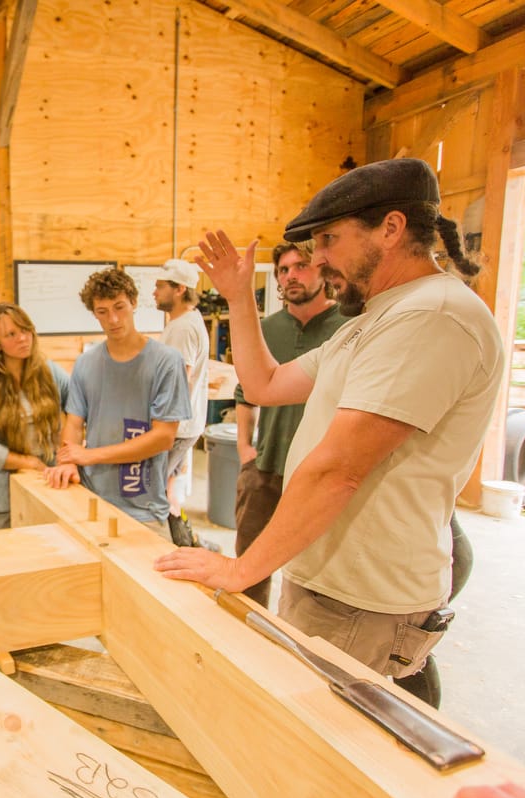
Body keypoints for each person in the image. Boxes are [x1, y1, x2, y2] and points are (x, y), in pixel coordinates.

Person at [155, 158, 503, 708]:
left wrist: (241, 569)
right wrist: (240, 296)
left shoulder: (431, 316)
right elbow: (266, 383)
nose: (317, 259)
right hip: (329, 578)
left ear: (390, 229)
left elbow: (339, 469)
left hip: (363, 596)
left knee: (332, 759)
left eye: (328, 239)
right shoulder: (375, 320)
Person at [232, 243, 345, 607]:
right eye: (283, 270)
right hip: (266, 467)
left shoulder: (348, 328)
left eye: (301, 266)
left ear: (323, 270)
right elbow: (245, 393)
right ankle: (246, 639)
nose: (290, 276)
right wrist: (245, 449)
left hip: (320, 470)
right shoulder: (265, 328)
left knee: (317, 577)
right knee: (248, 568)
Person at [45, 268, 190, 538]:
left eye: (119, 307)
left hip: (143, 507)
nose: (112, 319)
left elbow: (163, 438)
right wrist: (68, 461)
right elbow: (74, 424)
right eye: (102, 312)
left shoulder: (166, 362)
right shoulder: (86, 364)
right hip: (92, 500)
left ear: (134, 303)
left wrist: (88, 455)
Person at [0, 303, 70, 530]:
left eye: (25, 330)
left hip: (48, 486)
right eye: (11, 334)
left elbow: (80, 412)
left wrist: (68, 455)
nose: (22, 338)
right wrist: (30, 463)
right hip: (2, 496)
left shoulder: (51, 373)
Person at [153, 258, 210, 546]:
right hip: (182, 425)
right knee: (168, 490)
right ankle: (189, 544)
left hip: (177, 427)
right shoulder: (181, 322)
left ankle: (183, 548)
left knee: (155, 491)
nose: (154, 292)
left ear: (179, 289)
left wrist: (156, 423)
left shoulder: (183, 328)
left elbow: (177, 381)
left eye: (160, 287)